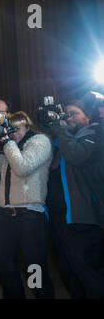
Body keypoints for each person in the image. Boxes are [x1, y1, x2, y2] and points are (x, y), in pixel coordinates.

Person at [0, 111, 55, 299]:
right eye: (9, 130)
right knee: (4, 264)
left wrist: (7, 142)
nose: (12, 133)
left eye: (16, 129)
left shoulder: (40, 141)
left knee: (34, 267)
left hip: (30, 214)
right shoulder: (12, 147)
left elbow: (22, 167)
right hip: (5, 215)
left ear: (27, 126)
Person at [45, 98, 104, 298]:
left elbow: (77, 155)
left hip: (81, 217)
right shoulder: (61, 141)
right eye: (64, 114)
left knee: (90, 275)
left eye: (73, 113)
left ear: (88, 117)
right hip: (58, 217)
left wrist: (60, 129)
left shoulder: (94, 133)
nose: (67, 118)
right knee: (69, 272)